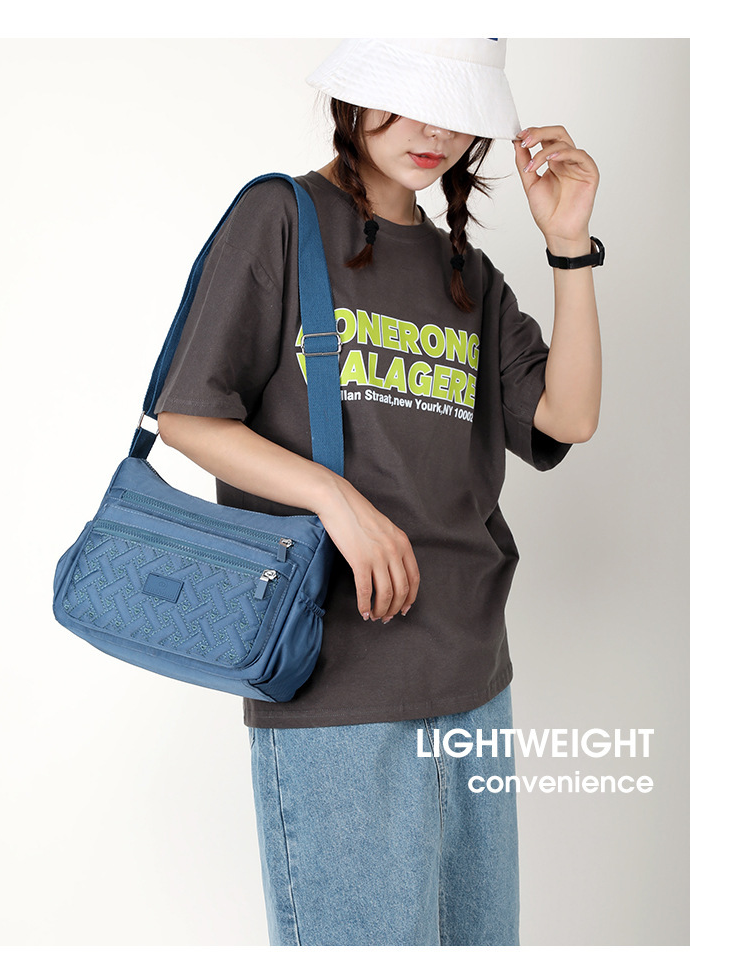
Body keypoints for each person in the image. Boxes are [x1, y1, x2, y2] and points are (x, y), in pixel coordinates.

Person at [154, 38, 602, 946]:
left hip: (474, 680)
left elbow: (569, 418)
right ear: (355, 97)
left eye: (456, 108)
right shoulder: (281, 219)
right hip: (337, 687)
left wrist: (569, 247)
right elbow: (188, 416)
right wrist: (337, 500)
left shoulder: (469, 275)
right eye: (409, 99)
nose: (434, 130)